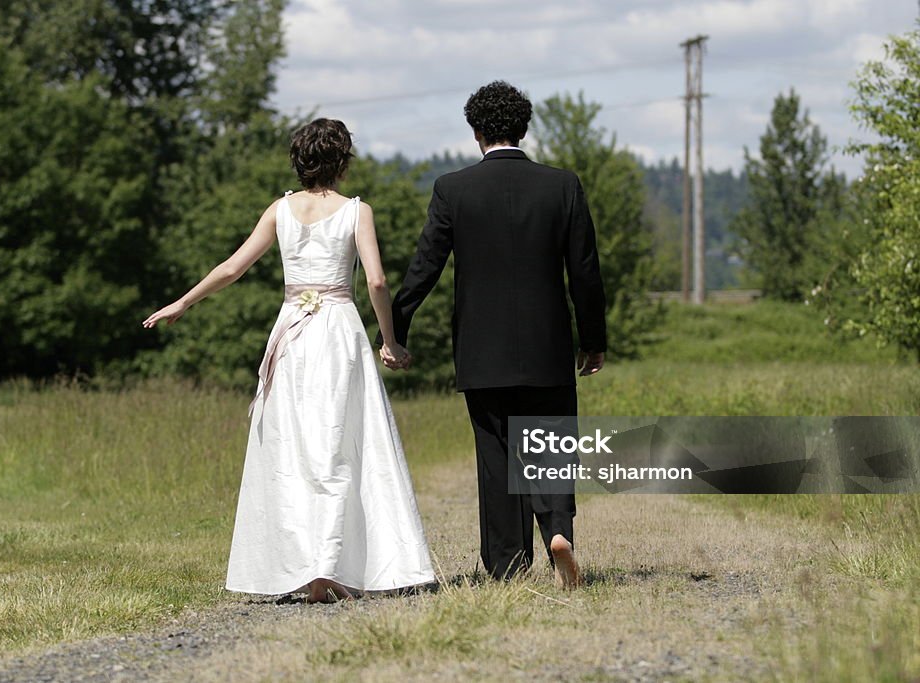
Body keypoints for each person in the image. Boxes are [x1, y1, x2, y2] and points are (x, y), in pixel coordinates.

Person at [142, 118, 435, 603]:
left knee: (294, 448)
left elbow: (233, 267)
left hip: (292, 334)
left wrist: (184, 302)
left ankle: (304, 567)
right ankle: (333, 568)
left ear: (299, 161)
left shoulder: (278, 210)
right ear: (343, 161)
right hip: (338, 330)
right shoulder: (357, 212)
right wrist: (390, 341)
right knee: (339, 445)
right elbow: (378, 282)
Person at [383, 81, 607, 589]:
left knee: (496, 453)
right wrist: (593, 340)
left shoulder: (453, 189)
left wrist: (395, 330)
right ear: (524, 129)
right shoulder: (563, 185)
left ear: (476, 132)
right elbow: (585, 271)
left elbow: (425, 267)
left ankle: (507, 565)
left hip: (481, 351)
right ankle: (556, 530)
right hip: (548, 346)